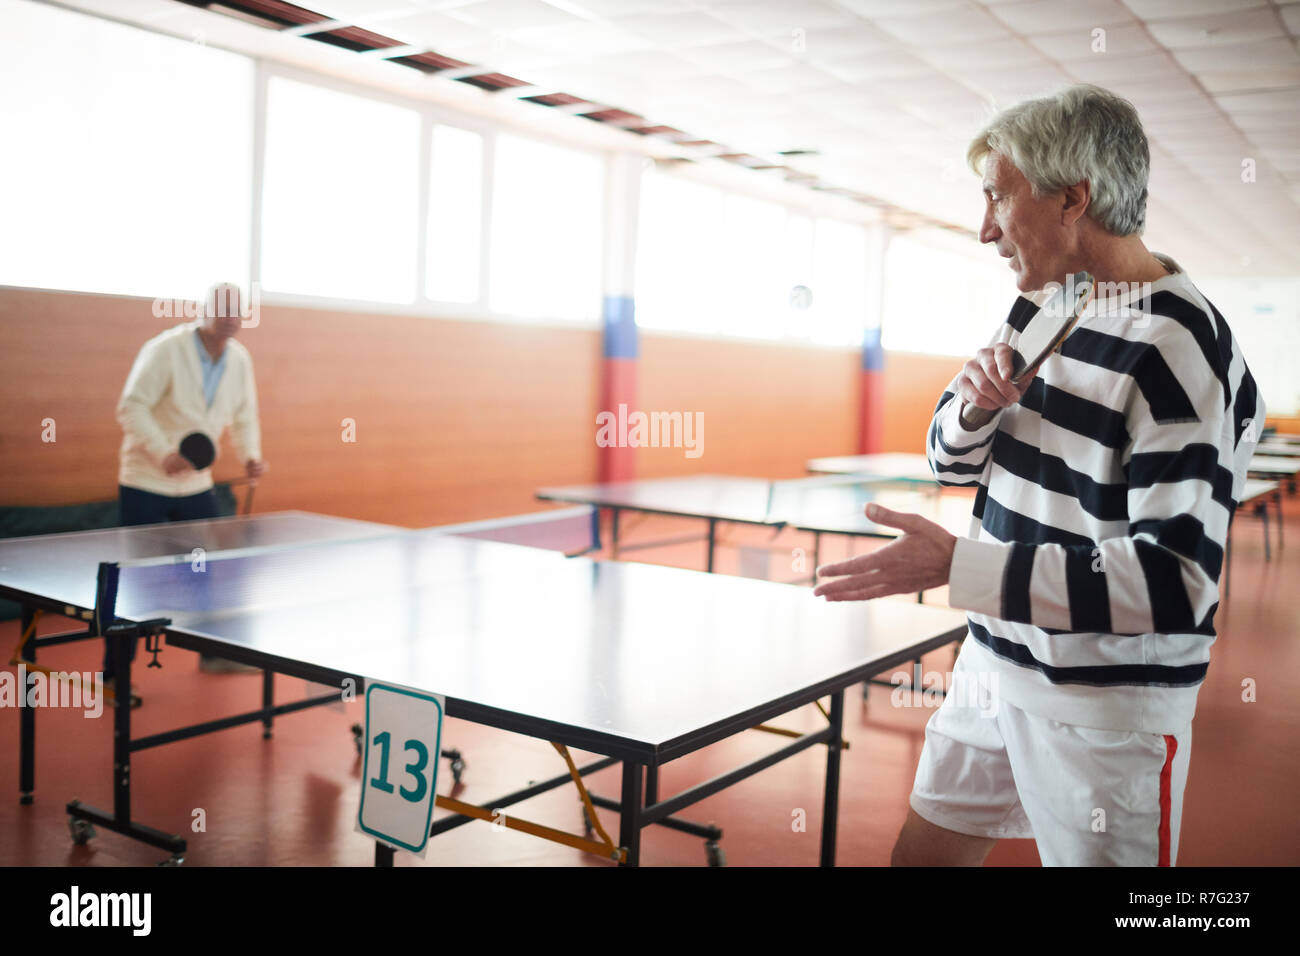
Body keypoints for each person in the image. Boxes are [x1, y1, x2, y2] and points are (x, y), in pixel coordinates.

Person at [813, 85, 1262, 866]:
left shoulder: (1179, 348)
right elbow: (946, 460)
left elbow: (1175, 582)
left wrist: (962, 567)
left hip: (1104, 705)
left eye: (998, 198)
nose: (985, 229)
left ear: (1073, 200)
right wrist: (977, 408)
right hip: (996, 661)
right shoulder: (1046, 305)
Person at [108, 282, 268, 703]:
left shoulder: (239, 359)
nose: (232, 316)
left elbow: (245, 415)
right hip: (147, 481)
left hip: (197, 484)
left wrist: (251, 455)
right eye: (225, 308)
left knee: (205, 573)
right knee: (135, 579)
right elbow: (131, 405)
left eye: (240, 310)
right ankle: (114, 675)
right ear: (206, 309)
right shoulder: (166, 349)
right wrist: (163, 452)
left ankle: (214, 655)